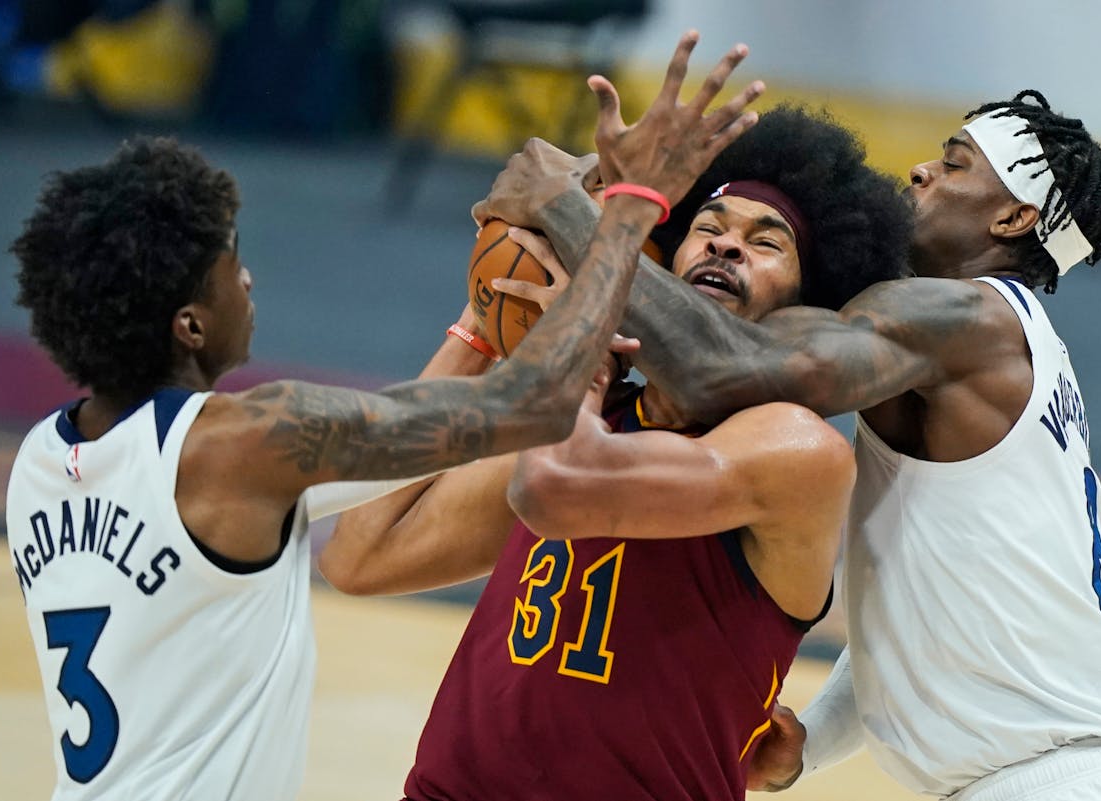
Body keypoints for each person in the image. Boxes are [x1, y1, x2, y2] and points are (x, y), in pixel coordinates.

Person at [2, 30, 763, 801]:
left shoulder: (39, 460)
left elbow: (384, 508)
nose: (249, 277)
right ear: (189, 324)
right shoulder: (249, 442)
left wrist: (488, 306)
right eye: (231, 263)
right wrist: (630, 208)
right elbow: (529, 404)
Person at [473, 90, 1101, 801]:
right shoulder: (1012, 350)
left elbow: (722, 370)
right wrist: (814, 738)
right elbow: (924, 608)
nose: (921, 171)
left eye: (955, 165)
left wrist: (575, 214)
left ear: (1014, 217)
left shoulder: (960, 315)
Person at [321, 105, 913, 801]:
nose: (724, 248)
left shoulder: (796, 449)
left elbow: (559, 486)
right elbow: (358, 553)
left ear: (808, 310)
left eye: (765, 242)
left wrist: (577, 335)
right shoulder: (594, 417)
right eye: (707, 231)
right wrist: (485, 316)